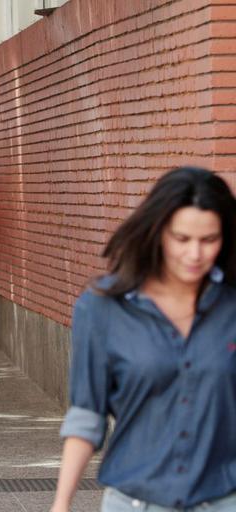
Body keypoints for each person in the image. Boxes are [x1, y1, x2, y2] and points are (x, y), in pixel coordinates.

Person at [50, 167, 236, 512]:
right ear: (157, 232)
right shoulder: (103, 308)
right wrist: (61, 504)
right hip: (135, 502)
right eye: (182, 239)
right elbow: (87, 414)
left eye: (209, 240)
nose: (195, 254)